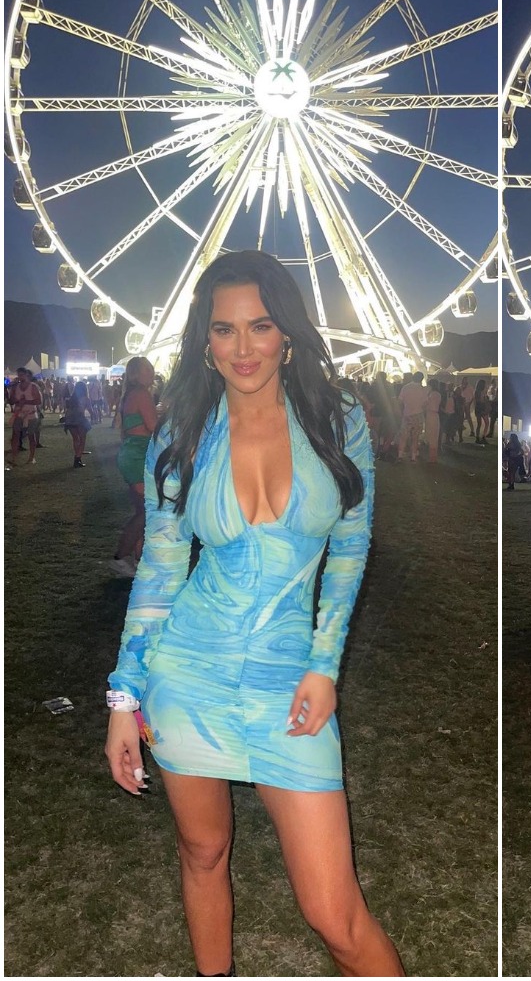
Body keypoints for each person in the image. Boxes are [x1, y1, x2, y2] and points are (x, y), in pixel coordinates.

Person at [104, 250, 403, 977]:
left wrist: (325, 666)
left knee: (335, 915)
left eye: (260, 326)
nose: (243, 347)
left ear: (287, 332)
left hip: (290, 683)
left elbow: (350, 549)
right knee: (203, 852)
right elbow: (160, 572)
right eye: (224, 329)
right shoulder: (182, 431)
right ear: (204, 340)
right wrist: (124, 698)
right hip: (188, 675)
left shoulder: (337, 420)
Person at [111, 356, 158, 577]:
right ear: (137, 374)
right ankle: (120, 558)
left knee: (142, 510)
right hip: (138, 455)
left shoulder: (130, 394)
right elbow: (153, 426)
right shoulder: (141, 394)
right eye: (147, 369)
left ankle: (138, 560)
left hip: (132, 453)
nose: (152, 372)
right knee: (146, 512)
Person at [7, 367, 43, 466]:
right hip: (19, 414)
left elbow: (39, 401)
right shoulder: (15, 387)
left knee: (31, 436)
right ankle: (14, 457)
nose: (20, 377)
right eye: (19, 375)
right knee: (15, 435)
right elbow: (11, 401)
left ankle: (32, 457)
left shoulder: (33, 387)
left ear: (27, 375)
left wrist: (25, 401)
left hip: (31, 414)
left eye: (22, 375)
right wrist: (14, 398)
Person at [397, 371, 427, 462]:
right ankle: (413, 457)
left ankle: (400, 455)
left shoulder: (405, 387)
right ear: (421, 379)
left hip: (407, 414)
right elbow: (425, 403)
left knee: (403, 436)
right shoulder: (423, 390)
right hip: (418, 414)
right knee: (415, 437)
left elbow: (400, 401)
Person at [63, 380, 93, 468]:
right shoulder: (86, 398)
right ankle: (78, 458)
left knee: (75, 439)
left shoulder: (72, 398)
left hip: (70, 420)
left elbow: (68, 409)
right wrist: (94, 417)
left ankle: (77, 455)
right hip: (80, 419)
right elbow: (90, 410)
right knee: (82, 440)